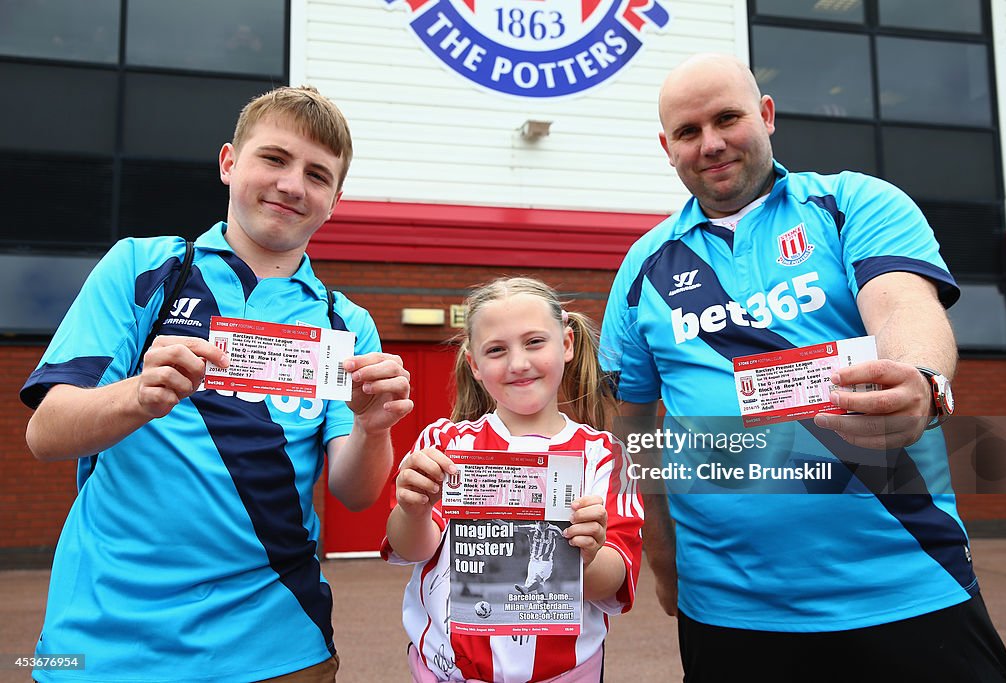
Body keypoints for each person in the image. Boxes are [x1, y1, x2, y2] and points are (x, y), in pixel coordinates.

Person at [599, 53, 1006, 681]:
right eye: (688, 132)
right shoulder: (643, 266)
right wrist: (664, 562)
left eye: (727, 119)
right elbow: (631, 432)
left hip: (909, 582)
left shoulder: (852, 203)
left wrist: (921, 381)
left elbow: (904, 302)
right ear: (668, 147)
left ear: (766, 116)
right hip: (730, 609)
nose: (711, 144)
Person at [20, 86, 413, 682]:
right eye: (274, 159)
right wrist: (138, 395)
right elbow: (46, 433)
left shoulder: (344, 323)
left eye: (317, 174)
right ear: (229, 162)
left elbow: (355, 493)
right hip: (105, 642)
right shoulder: (142, 268)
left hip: (278, 644)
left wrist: (371, 425)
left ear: (333, 201)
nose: (291, 185)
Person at [382, 277, 643, 683]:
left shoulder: (606, 456)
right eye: (497, 350)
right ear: (474, 364)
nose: (518, 363)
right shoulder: (444, 442)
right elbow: (413, 548)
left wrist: (587, 555)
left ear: (568, 345)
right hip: (445, 672)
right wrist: (412, 510)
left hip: (566, 674)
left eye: (535, 342)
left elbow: (614, 579)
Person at [513, 521, 564, 595]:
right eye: (540, 523)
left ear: (547, 523)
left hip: (546, 562)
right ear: (536, 522)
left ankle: (526, 589)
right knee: (539, 585)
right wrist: (498, 521)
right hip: (533, 562)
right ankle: (543, 604)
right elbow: (512, 528)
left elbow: (563, 536)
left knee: (537, 579)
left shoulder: (554, 530)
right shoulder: (531, 528)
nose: (542, 525)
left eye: (544, 523)